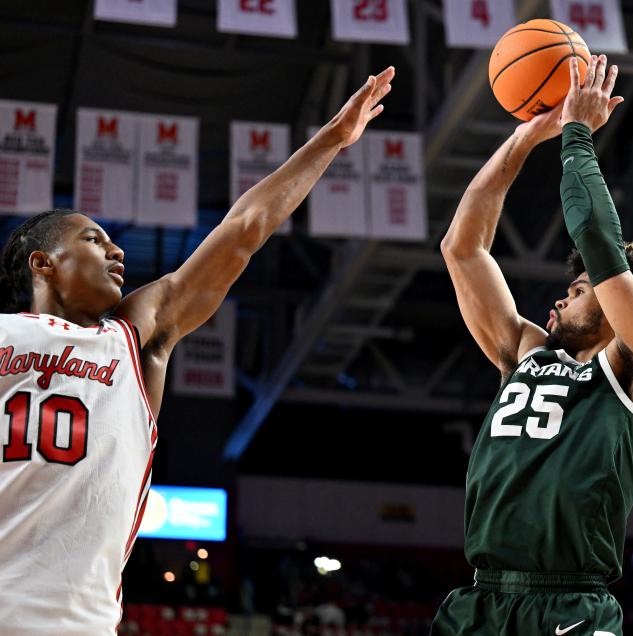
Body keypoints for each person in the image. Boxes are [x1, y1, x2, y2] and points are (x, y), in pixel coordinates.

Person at [0, 66, 394, 635]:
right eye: (93, 240)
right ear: (43, 263)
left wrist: (331, 139)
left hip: (75, 623)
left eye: (115, 244)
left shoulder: (135, 337)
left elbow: (244, 230)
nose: (116, 253)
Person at [432, 55, 633, 635]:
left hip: (569, 607)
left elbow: (597, 239)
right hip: (481, 602)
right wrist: (523, 139)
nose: (561, 300)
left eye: (578, 288)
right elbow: (463, 249)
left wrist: (577, 135)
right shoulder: (526, 351)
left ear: (622, 302)